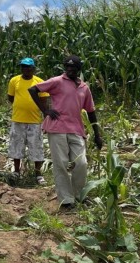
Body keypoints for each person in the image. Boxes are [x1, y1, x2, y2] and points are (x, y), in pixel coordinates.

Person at [28, 55, 103, 209]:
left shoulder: (84, 88)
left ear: (78, 69)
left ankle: (78, 194)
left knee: (81, 163)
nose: (70, 69)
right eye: (67, 67)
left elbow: (91, 111)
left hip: (76, 129)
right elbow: (33, 89)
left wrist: (97, 134)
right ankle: (66, 200)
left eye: (73, 67)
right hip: (57, 128)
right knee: (61, 164)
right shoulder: (57, 81)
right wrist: (45, 110)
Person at [7, 58, 49, 184]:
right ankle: (16, 172)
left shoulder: (39, 82)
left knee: (36, 147)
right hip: (18, 119)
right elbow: (11, 97)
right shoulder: (14, 81)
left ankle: (38, 174)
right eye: (23, 66)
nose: (25, 69)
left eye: (28, 67)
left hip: (34, 120)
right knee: (16, 146)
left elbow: (44, 100)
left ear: (33, 68)